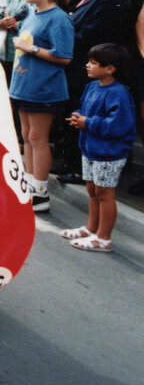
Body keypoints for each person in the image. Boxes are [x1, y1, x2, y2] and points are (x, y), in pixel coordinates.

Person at [56, 0, 126, 184]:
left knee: (81, 115)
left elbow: (90, 38)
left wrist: (58, 36)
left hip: (86, 72)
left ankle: (78, 169)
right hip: (77, 71)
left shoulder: (108, 0)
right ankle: (72, 164)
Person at [8, 0, 73, 213]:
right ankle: (30, 183)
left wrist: (30, 49)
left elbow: (64, 56)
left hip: (43, 87)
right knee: (26, 136)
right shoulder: (32, 13)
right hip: (24, 85)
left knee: (37, 137)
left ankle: (41, 191)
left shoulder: (59, 18)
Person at [62, 43, 136, 252]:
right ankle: (91, 228)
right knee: (92, 190)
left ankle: (103, 238)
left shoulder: (119, 93)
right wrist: (79, 116)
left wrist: (87, 122)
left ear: (110, 68)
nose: (88, 65)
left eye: (94, 63)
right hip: (91, 149)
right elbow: (86, 109)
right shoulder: (92, 86)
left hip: (109, 153)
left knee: (104, 193)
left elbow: (118, 125)